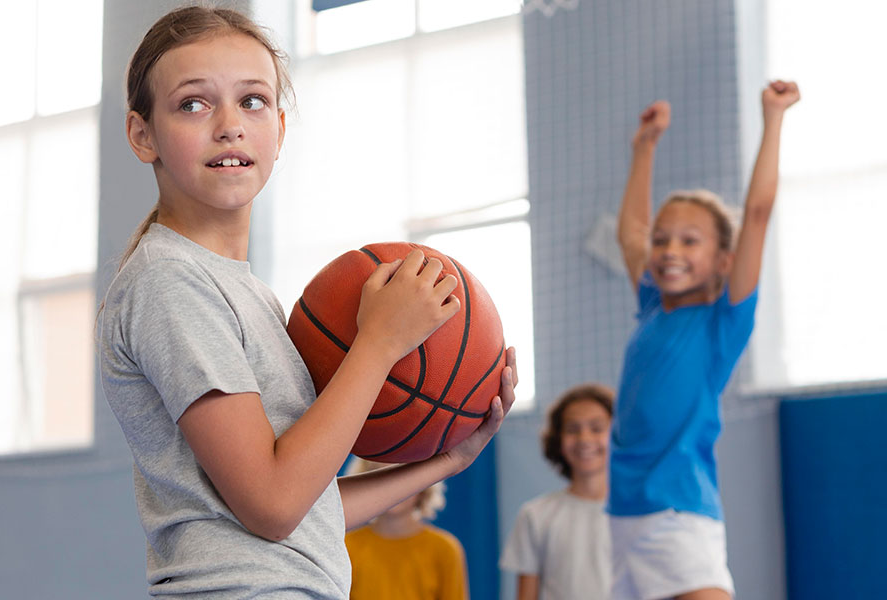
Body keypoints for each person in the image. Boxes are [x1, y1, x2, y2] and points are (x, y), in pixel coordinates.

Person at [95, 6, 517, 598]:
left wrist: (445, 463)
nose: (229, 125)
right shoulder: (171, 283)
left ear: (280, 130)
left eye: (253, 101)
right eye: (194, 103)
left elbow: (303, 512)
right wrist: (380, 341)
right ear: (143, 135)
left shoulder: (247, 293)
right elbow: (272, 504)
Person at [609, 81, 800, 600]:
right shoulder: (650, 305)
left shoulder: (723, 323)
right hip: (623, 517)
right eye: (664, 238)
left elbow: (757, 212)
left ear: (723, 260)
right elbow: (631, 233)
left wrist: (774, 117)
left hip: (677, 512)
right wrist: (644, 146)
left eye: (689, 241)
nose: (669, 249)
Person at [499, 383, 614, 600]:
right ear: (558, 440)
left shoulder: (641, 514)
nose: (585, 439)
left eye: (597, 428)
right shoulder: (535, 515)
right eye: (572, 429)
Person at [344, 458, 468, 600]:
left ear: (424, 486)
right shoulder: (347, 547)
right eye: (381, 478)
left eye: (402, 477)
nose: (393, 490)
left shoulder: (445, 549)